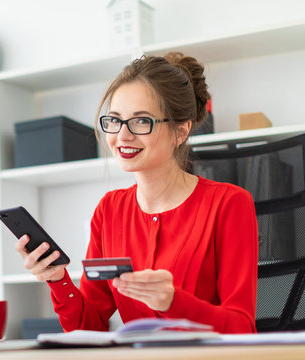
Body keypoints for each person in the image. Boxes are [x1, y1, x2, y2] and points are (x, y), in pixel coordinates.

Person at [14, 52, 258, 334]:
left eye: (141, 121)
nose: (123, 136)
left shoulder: (229, 204)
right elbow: (89, 326)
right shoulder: (109, 210)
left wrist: (173, 302)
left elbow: (242, 329)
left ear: (181, 130)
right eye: (115, 120)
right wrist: (58, 279)